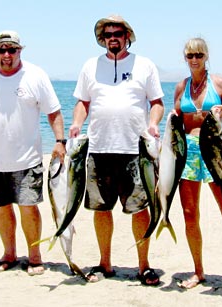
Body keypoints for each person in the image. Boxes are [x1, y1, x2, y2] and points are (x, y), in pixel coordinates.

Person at [0, 30, 66, 276]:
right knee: (2, 207)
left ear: (20, 50)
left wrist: (60, 141)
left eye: (12, 49)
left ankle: (35, 257)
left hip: (27, 159)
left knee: (29, 207)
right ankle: (9, 254)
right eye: (2, 50)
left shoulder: (36, 75)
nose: (7, 55)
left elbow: (54, 112)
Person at [69, 15, 164, 286]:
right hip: (99, 149)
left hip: (136, 151)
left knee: (140, 209)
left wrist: (154, 124)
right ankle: (105, 263)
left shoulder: (144, 65)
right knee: (101, 209)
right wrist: (77, 123)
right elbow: (83, 102)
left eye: (118, 32)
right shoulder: (90, 66)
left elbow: (156, 102)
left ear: (127, 36)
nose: (113, 37)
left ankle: (144, 265)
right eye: (108, 33)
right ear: (102, 38)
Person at [173, 37, 222, 291]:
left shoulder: (217, 83)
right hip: (188, 154)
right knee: (189, 216)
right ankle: (198, 271)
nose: (194, 59)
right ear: (185, 58)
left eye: (199, 55)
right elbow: (175, 122)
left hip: (215, 153)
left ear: (206, 56)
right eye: (190, 56)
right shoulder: (181, 86)